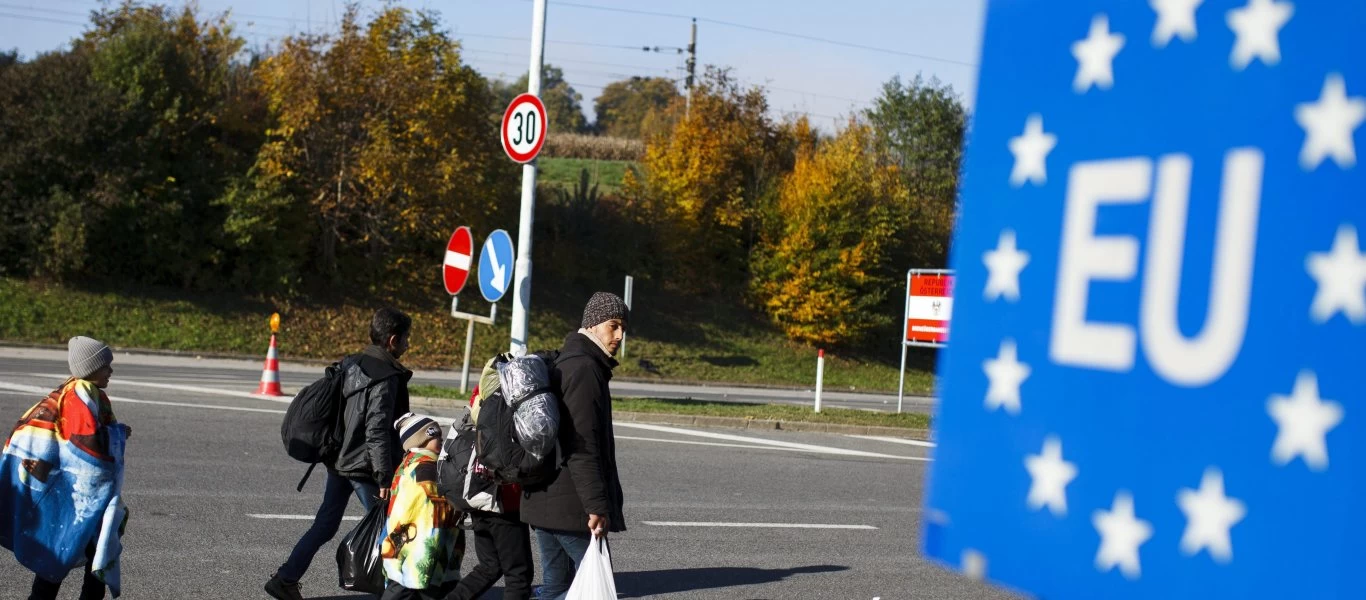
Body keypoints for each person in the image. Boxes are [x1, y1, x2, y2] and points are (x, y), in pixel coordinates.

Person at [266, 307, 414, 600]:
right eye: (407, 339)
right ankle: (401, 592)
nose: (409, 345)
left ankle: (285, 578)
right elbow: (377, 430)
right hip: (364, 469)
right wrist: (385, 477)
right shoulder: (386, 377)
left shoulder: (351, 363)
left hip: (339, 462)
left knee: (324, 525)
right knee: (392, 528)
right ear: (393, 340)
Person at [0, 336, 129, 600]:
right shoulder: (78, 397)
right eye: (106, 366)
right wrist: (115, 434)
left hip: (69, 488)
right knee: (66, 546)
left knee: (86, 546)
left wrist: (116, 432)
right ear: (90, 368)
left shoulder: (83, 392)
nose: (111, 372)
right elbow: (85, 442)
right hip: (74, 493)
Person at [521, 292, 628, 600]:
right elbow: (582, 446)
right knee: (597, 590)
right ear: (593, 325)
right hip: (570, 509)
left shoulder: (569, 360)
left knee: (556, 589)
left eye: (623, 328)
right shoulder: (584, 369)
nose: (620, 335)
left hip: (544, 501)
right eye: (614, 326)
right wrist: (596, 506)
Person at [445, 385, 534, 600]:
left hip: (475, 498)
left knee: (489, 567)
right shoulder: (508, 410)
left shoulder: (477, 405)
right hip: (503, 502)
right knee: (518, 576)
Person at [379, 413, 463, 599]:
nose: (441, 440)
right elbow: (431, 507)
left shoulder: (409, 462)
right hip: (422, 544)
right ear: (421, 440)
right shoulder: (427, 468)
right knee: (410, 587)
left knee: (404, 586)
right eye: (435, 436)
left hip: (402, 538)